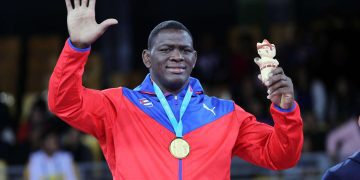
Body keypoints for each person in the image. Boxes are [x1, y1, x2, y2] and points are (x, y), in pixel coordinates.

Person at [48, 0, 303, 179]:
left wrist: (286, 110)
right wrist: (77, 47)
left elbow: (281, 157)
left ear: (194, 59)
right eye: (166, 49)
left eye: (184, 50)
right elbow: (64, 103)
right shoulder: (119, 105)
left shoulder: (226, 114)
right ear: (147, 58)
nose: (177, 56)